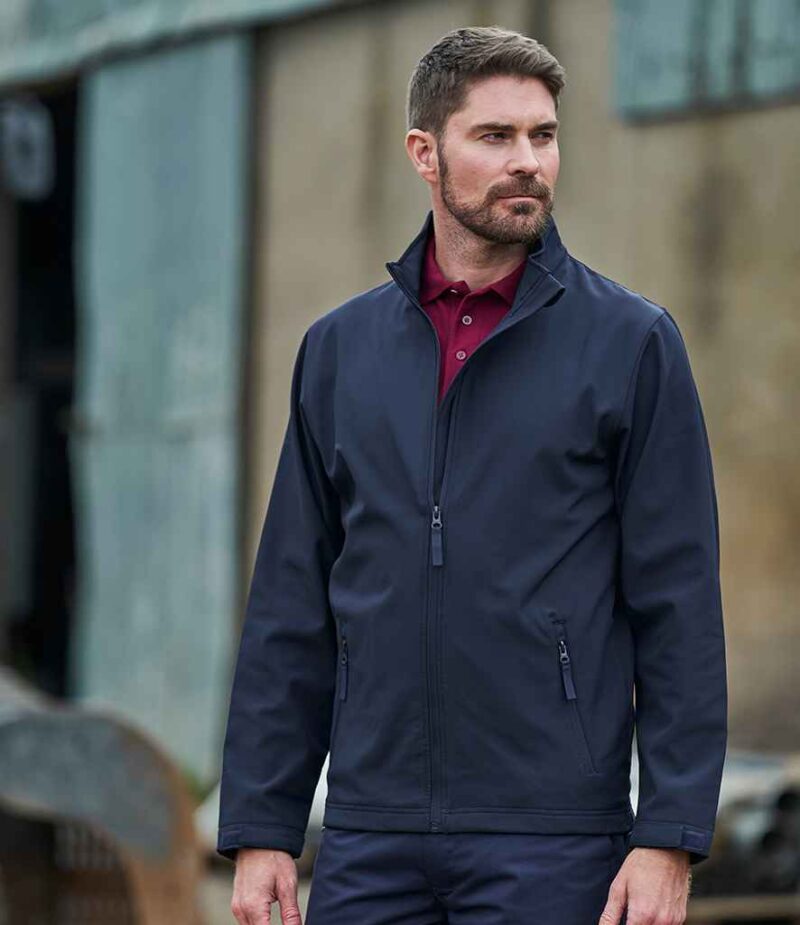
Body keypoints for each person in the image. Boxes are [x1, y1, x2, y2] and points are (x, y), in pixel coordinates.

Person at [218, 25, 728, 925]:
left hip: (554, 837)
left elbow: (678, 603)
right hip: (370, 832)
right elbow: (291, 602)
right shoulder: (340, 350)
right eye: (496, 136)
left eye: (544, 135)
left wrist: (669, 833)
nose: (528, 160)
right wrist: (264, 824)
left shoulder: (630, 343)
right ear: (426, 153)